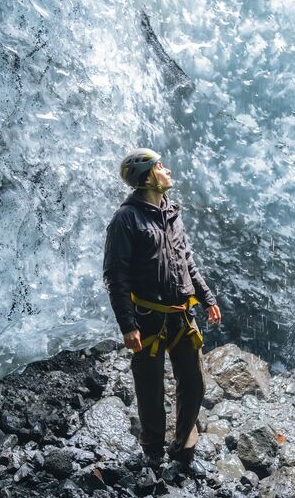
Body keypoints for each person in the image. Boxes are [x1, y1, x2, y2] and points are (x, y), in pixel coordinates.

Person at [102, 148, 223, 475]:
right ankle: (153, 450)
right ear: (147, 175)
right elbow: (116, 275)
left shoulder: (171, 212)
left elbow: (187, 261)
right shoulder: (126, 219)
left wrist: (208, 298)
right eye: (160, 165)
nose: (167, 169)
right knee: (150, 386)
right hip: (147, 317)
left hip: (182, 314)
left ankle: (183, 446)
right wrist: (128, 324)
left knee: (194, 383)